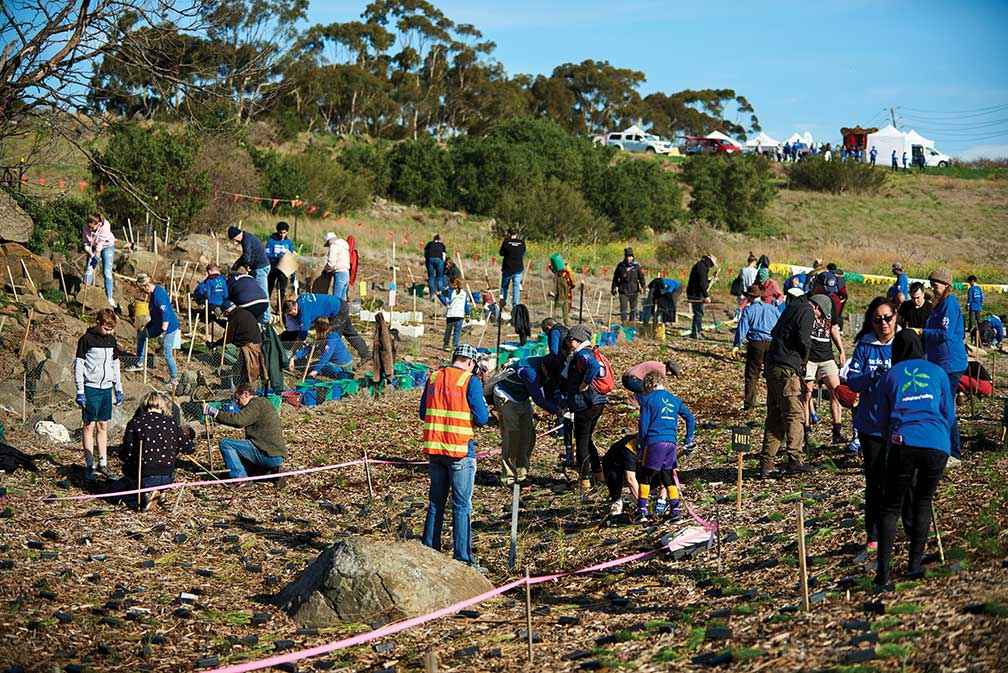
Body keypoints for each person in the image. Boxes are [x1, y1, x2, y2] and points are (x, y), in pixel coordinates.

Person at [874, 330, 954, 590]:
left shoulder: (890, 376)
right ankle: (914, 566)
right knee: (922, 500)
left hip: (904, 442)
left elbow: (881, 420)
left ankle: (883, 574)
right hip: (937, 444)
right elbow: (949, 415)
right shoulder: (938, 373)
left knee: (890, 507)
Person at [419, 344, 490, 569]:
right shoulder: (470, 381)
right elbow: (482, 418)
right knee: (461, 506)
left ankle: (429, 551)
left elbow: (423, 412)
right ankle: (463, 559)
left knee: (435, 503)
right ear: (470, 363)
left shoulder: (434, 377)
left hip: (435, 450)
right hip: (460, 451)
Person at [845, 298, 897, 556]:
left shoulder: (904, 343)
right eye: (878, 319)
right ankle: (873, 534)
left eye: (887, 318)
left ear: (896, 317)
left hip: (899, 425)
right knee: (875, 482)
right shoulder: (865, 346)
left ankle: (900, 530)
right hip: (871, 425)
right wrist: (871, 377)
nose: (883, 324)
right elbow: (852, 381)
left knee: (899, 480)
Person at [760, 293, 825, 477]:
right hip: (787, 368)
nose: (817, 320)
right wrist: (804, 361)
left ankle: (767, 464)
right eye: (819, 317)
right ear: (818, 308)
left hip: (773, 365)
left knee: (775, 416)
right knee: (794, 415)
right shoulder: (807, 311)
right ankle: (795, 460)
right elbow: (804, 339)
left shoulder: (793, 306)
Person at [486, 356, 559, 485]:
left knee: (529, 436)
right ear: (544, 368)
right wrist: (558, 410)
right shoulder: (528, 371)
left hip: (522, 398)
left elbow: (550, 390)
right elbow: (538, 399)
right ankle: (509, 477)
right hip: (506, 397)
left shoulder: (547, 367)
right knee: (513, 437)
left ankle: (521, 473)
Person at [633, 371, 695, 522]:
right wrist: (688, 439)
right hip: (671, 442)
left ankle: (641, 511)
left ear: (649, 384)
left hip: (655, 441)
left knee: (645, 475)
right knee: (667, 475)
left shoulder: (647, 401)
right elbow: (690, 418)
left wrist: (641, 446)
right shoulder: (674, 399)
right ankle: (675, 510)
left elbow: (643, 426)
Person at [119, 392, 194, 510]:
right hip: (167, 474)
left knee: (128, 469)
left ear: (143, 406)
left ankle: (147, 492)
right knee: (166, 465)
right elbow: (189, 448)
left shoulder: (136, 422)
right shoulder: (171, 423)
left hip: (145, 473)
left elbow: (127, 452)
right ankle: (160, 490)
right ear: (162, 406)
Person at [921, 268, 967, 460]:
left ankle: (954, 453)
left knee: (946, 407)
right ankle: (941, 447)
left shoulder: (950, 303)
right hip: (938, 362)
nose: (933, 287)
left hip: (950, 364)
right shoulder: (937, 305)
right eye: (932, 284)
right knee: (938, 405)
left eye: (936, 284)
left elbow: (945, 334)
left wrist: (921, 332)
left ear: (946, 285)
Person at [74, 309, 124, 481]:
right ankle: (89, 464)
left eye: (111, 329)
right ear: (98, 323)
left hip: (106, 388)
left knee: (103, 425)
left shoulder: (111, 340)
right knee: (89, 426)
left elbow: (115, 365)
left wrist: (118, 387)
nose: (109, 332)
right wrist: (80, 390)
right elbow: (79, 366)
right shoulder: (86, 340)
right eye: (106, 328)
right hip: (90, 387)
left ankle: (103, 463)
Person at [562, 325, 608, 498]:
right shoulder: (590, 351)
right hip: (597, 402)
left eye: (570, 340)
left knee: (581, 442)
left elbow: (594, 367)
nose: (568, 343)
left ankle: (585, 481)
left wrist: (584, 384)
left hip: (585, 404)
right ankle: (598, 473)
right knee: (587, 439)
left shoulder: (583, 354)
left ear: (576, 340)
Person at [207, 383, 288, 480]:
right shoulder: (263, 402)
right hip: (275, 453)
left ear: (246, 394)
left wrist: (215, 413)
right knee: (243, 458)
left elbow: (239, 421)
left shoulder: (255, 404)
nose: (237, 403)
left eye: (238, 399)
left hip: (268, 453)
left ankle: (239, 479)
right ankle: (270, 472)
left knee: (225, 444)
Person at [284, 293, 369, 376]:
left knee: (332, 340)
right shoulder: (300, 299)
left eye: (290, 314)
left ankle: (341, 363)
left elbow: (302, 336)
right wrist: (294, 357)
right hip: (339, 304)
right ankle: (365, 354)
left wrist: (293, 351)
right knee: (349, 333)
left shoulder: (304, 315)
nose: (291, 317)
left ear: (294, 309)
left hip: (338, 312)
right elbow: (311, 346)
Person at [805, 286, 846, 446]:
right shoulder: (809, 307)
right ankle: (807, 431)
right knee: (807, 394)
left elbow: (834, 329)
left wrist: (841, 350)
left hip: (827, 357)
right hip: (809, 359)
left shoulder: (830, 306)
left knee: (837, 392)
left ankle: (837, 430)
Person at [127, 273, 181, 388]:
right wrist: (148, 325)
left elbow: (165, 313)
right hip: (156, 324)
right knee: (142, 335)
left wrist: (163, 332)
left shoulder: (158, 295)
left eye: (142, 288)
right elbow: (155, 314)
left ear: (146, 286)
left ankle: (174, 379)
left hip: (169, 327)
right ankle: (140, 362)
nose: (142, 291)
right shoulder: (153, 293)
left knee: (167, 352)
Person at [733, 285, 779, 411]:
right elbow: (780, 325)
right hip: (771, 343)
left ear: (749, 297)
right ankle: (774, 402)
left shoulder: (749, 310)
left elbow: (742, 328)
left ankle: (749, 404)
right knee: (771, 374)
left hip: (756, 343)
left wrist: (737, 345)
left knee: (752, 375)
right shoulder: (773, 309)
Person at [212, 301, 263, 387]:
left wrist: (215, 344)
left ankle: (241, 384)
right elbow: (230, 326)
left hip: (247, 346)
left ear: (227, 312)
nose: (225, 317)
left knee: (221, 351)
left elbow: (228, 338)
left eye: (225, 315)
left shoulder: (234, 318)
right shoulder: (243, 313)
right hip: (257, 343)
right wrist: (217, 321)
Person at [227, 225, 271, 322]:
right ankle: (259, 317)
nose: (235, 242)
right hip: (259, 266)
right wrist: (236, 266)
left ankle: (266, 319)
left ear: (236, 235)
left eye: (234, 240)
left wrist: (247, 266)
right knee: (255, 291)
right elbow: (244, 256)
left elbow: (247, 256)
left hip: (260, 268)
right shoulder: (247, 237)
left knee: (262, 293)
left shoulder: (246, 240)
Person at [82, 213, 117, 307]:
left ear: (99, 224)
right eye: (89, 227)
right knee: (88, 270)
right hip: (92, 247)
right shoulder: (86, 227)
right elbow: (85, 242)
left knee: (107, 272)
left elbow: (99, 246)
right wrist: (90, 253)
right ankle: (84, 294)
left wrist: (96, 257)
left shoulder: (105, 226)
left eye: (92, 227)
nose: (90, 229)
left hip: (107, 246)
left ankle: (109, 298)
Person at [611, 248, 646, 323]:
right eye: (627, 256)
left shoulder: (636, 266)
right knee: (623, 309)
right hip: (623, 291)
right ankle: (624, 324)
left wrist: (643, 287)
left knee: (633, 309)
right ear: (625, 257)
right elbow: (615, 278)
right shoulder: (620, 266)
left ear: (633, 257)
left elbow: (641, 278)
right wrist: (614, 288)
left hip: (634, 291)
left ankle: (631, 324)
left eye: (630, 256)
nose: (629, 258)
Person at [686, 254, 717, 339]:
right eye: (711, 264)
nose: (711, 266)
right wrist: (706, 296)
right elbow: (702, 284)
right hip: (695, 293)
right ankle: (696, 332)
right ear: (708, 261)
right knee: (698, 313)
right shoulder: (701, 267)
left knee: (699, 313)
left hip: (695, 292)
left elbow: (702, 281)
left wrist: (711, 280)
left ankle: (697, 331)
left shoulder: (701, 266)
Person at [265, 221, 296, 304]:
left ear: (287, 232)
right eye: (280, 233)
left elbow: (291, 252)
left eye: (284, 233)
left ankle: (280, 307)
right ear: (277, 231)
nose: (282, 235)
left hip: (283, 268)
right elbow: (267, 254)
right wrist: (277, 255)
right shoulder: (271, 241)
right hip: (273, 267)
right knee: (269, 286)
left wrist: (292, 255)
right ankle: (266, 303)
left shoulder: (288, 242)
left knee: (282, 288)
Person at [440, 277, 469, 351]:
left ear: (454, 285)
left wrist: (439, 296)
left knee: (448, 331)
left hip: (451, 314)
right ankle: (455, 346)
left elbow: (446, 303)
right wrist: (467, 314)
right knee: (457, 331)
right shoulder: (464, 293)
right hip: (459, 314)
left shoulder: (450, 292)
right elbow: (466, 305)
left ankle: (446, 345)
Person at [499, 229, 526, 307]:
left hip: (507, 268)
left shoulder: (506, 242)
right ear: (516, 234)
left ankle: (504, 303)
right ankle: (515, 305)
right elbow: (523, 252)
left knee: (504, 287)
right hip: (518, 269)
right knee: (516, 287)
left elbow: (501, 253)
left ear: (508, 233)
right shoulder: (522, 242)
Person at [321, 232, 351, 299]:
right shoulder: (344, 246)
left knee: (336, 299)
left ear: (329, 241)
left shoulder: (334, 246)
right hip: (346, 273)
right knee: (342, 299)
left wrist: (326, 269)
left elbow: (331, 262)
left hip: (339, 273)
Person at [550, 257, 575, 323]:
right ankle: (556, 319)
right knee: (560, 303)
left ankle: (565, 320)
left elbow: (571, 281)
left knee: (565, 304)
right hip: (560, 291)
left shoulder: (566, 272)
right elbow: (550, 267)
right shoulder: (557, 273)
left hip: (565, 291)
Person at [424, 234, 447, 300]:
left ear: (434, 239)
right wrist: (443, 262)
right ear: (439, 239)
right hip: (439, 260)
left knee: (431, 277)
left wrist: (427, 260)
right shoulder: (442, 245)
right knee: (439, 277)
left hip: (430, 259)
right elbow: (444, 255)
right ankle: (441, 294)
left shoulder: (429, 243)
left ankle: (432, 295)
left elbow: (425, 253)